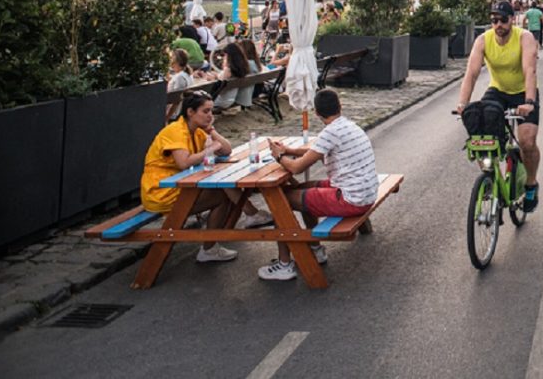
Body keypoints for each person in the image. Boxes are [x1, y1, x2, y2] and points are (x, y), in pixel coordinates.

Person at [260, 89, 378, 280]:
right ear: (340, 107)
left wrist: (279, 156)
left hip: (351, 199)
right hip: (365, 192)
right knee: (305, 189)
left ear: (316, 112)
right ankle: (315, 249)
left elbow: (296, 168)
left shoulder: (330, 132)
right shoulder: (348, 125)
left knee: (280, 202)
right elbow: (315, 151)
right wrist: (289, 150)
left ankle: (284, 265)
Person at [140, 92, 252, 263]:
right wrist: (209, 149)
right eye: (205, 111)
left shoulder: (196, 131)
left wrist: (212, 131)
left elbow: (226, 150)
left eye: (211, 111)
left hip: (178, 186)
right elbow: (183, 162)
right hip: (161, 192)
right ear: (190, 112)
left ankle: (247, 217)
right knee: (222, 195)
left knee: (224, 187)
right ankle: (210, 248)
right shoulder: (176, 131)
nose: (210, 116)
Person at [456, 0, 541, 212]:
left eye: (503, 20)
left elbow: (529, 70)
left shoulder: (524, 38)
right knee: (478, 129)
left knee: (527, 142)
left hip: (523, 92)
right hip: (498, 91)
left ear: (512, 19)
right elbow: (471, 73)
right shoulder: (483, 40)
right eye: (494, 20)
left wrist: (529, 102)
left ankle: (531, 184)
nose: (498, 24)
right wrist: (463, 104)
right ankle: (491, 178)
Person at [213, 42, 249, 113]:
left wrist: (212, 77)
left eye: (225, 55)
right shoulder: (241, 68)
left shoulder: (228, 70)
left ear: (230, 56)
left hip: (221, 101)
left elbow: (219, 85)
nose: (224, 57)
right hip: (231, 99)